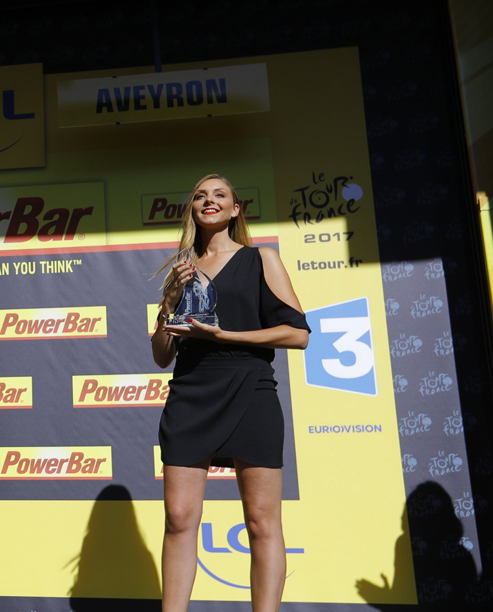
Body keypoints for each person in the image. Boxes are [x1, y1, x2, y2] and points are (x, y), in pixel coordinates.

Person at [151, 175, 310, 612]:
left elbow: (298, 335)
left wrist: (225, 335)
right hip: (190, 393)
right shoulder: (180, 268)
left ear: (236, 209)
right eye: (200, 195)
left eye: (220, 194)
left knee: (261, 522)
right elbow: (162, 355)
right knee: (179, 519)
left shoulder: (262, 259)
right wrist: (169, 303)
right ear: (193, 210)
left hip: (249, 389)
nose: (209, 200)